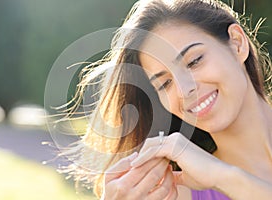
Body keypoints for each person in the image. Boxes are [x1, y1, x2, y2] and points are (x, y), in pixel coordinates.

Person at [64, 0, 272, 199]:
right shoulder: (178, 193)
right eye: (164, 84)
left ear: (237, 43)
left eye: (194, 61)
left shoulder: (214, 177)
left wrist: (222, 176)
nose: (185, 90)